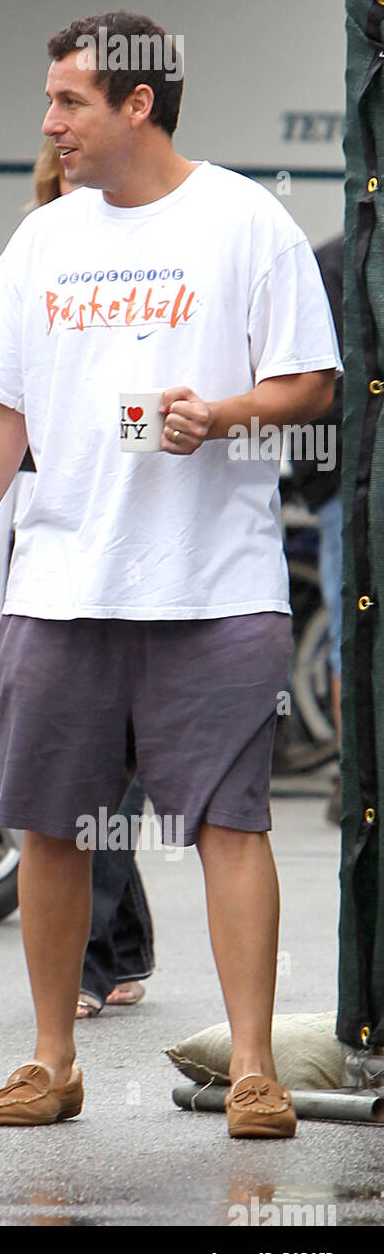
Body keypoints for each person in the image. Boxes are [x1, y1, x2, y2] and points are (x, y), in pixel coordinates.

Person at [0, 11, 339, 1138]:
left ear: (138, 105)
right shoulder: (43, 240)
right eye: (52, 100)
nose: (50, 123)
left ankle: (253, 1068)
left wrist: (227, 414)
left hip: (217, 589)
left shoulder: (245, 221)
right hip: (60, 587)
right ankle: (53, 1057)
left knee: (230, 828)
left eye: (70, 102)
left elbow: (313, 383)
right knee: (50, 827)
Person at [0, 135, 156, 1022]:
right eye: (60, 180)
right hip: (36, 534)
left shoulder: (152, 267)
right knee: (64, 760)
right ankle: (114, 946)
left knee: (113, 759)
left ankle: (101, 955)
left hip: (126, 539)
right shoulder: (34, 257)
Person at [289, 234, 344, 824]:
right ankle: (354, 773)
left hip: (339, 481)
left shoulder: (328, 260)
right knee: (352, 626)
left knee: (350, 626)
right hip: (347, 485)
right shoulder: (330, 265)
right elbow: (312, 384)